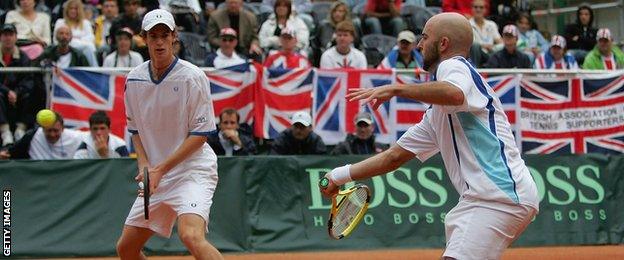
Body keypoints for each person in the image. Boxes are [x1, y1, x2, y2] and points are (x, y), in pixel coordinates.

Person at [321, 13, 539, 260]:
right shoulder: (437, 116)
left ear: (443, 44)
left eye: (424, 37)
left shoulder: (454, 65)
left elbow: (454, 93)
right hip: (491, 198)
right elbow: (393, 157)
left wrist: (396, 88)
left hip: (498, 197)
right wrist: (337, 176)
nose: (419, 45)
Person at [116, 9, 223, 260]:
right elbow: (135, 131)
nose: (160, 41)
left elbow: (200, 136)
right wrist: (145, 166)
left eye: (165, 35)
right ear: (144, 39)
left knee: (191, 236)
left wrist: (160, 169)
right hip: (158, 176)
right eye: (154, 36)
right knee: (126, 249)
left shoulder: (193, 77)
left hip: (193, 171)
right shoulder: (134, 80)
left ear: (174, 37)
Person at [0, 23, 36, 146]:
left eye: (11, 35)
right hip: (2, 92)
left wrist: (16, 92)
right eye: (5, 35)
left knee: (31, 92)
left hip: (17, 94)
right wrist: (7, 91)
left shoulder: (23, 57)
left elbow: (28, 80)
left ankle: (21, 129)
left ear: (16, 37)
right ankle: (5, 132)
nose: (8, 38)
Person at [0, 111, 83, 160]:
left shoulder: (75, 137)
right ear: (42, 129)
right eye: (49, 130)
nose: (52, 134)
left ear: (63, 128)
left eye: (56, 130)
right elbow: (11, 151)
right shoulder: (31, 136)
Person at [53, 0, 98, 66]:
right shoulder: (60, 22)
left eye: (76, 9)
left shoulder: (85, 23)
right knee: (88, 48)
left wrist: (73, 40)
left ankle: (93, 71)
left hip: (83, 50)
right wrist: (80, 39)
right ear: (67, 10)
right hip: (65, 49)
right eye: (71, 8)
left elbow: (91, 38)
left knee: (88, 49)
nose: (73, 11)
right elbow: (56, 40)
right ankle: (95, 70)